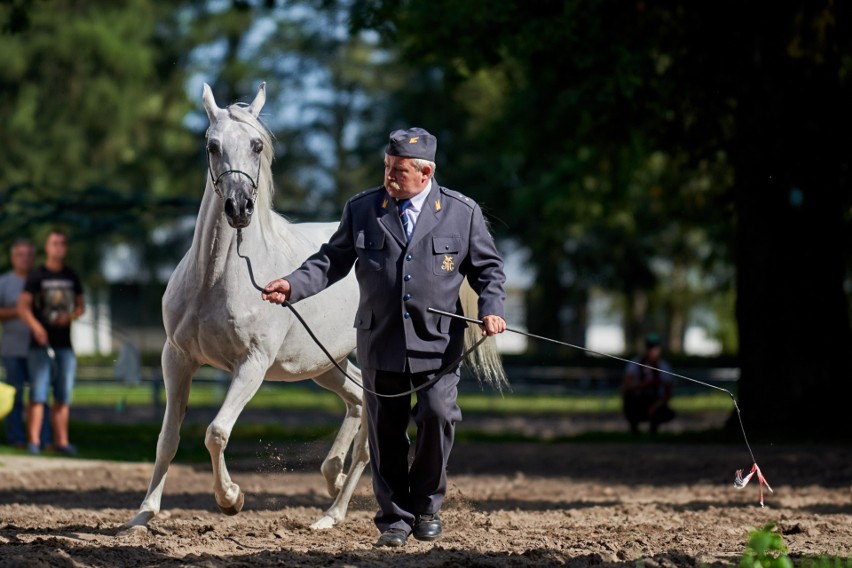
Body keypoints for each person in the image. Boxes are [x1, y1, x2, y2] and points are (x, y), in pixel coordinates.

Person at [262, 127, 507, 547]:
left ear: (426, 172)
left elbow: (489, 270)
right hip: (380, 341)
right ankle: (394, 518)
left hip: (438, 343)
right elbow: (330, 260)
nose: (389, 176)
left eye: (400, 170)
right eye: (387, 167)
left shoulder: (461, 213)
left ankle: (427, 507)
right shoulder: (362, 209)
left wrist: (492, 309)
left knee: (438, 417)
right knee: (385, 432)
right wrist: (293, 285)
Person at [17, 230, 84, 456]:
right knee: (38, 394)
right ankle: (34, 442)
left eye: (62, 243)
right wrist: (36, 327)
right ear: (47, 247)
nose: (59, 247)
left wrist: (72, 316)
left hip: (65, 346)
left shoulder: (71, 276)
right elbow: (22, 307)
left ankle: (62, 442)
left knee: (63, 396)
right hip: (40, 346)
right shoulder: (37, 276)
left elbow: (80, 306)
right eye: (54, 243)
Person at [0, 239, 52, 448]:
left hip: (39, 350)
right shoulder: (4, 282)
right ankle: (16, 439)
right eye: (21, 254)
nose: (25, 259)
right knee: (15, 395)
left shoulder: (41, 281)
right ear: (13, 258)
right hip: (13, 348)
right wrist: (22, 311)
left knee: (40, 395)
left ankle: (43, 439)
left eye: (29, 254)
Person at [622, 333, 676, 434]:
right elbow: (625, 387)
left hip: (656, 401)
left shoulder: (664, 367)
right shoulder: (635, 364)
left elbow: (668, 393)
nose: (652, 351)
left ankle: (653, 431)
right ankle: (634, 431)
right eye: (649, 348)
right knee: (629, 400)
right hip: (638, 400)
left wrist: (656, 406)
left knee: (665, 411)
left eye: (655, 348)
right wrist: (643, 385)